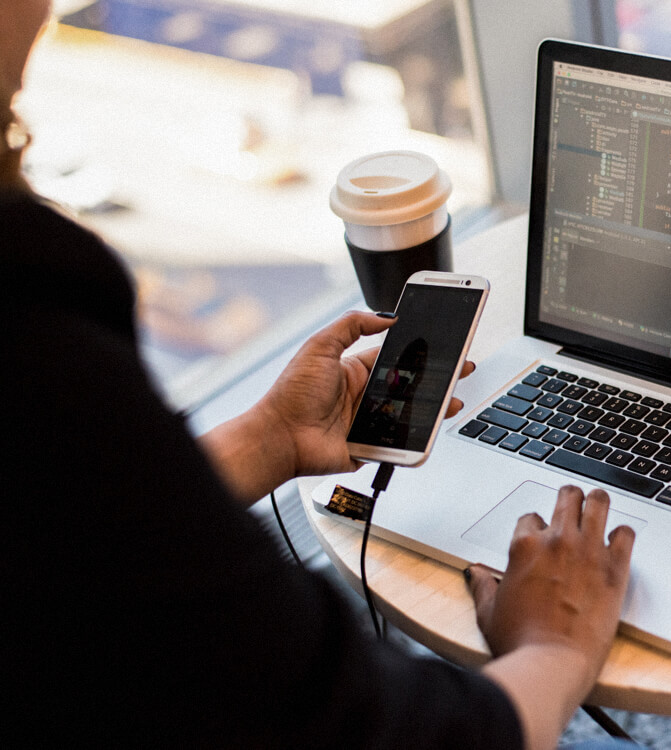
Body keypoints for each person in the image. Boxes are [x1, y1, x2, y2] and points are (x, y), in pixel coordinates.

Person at [1, 2, 636, 748]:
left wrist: (270, 437)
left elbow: (81, 535)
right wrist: (555, 650)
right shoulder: (36, 344)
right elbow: (381, 731)